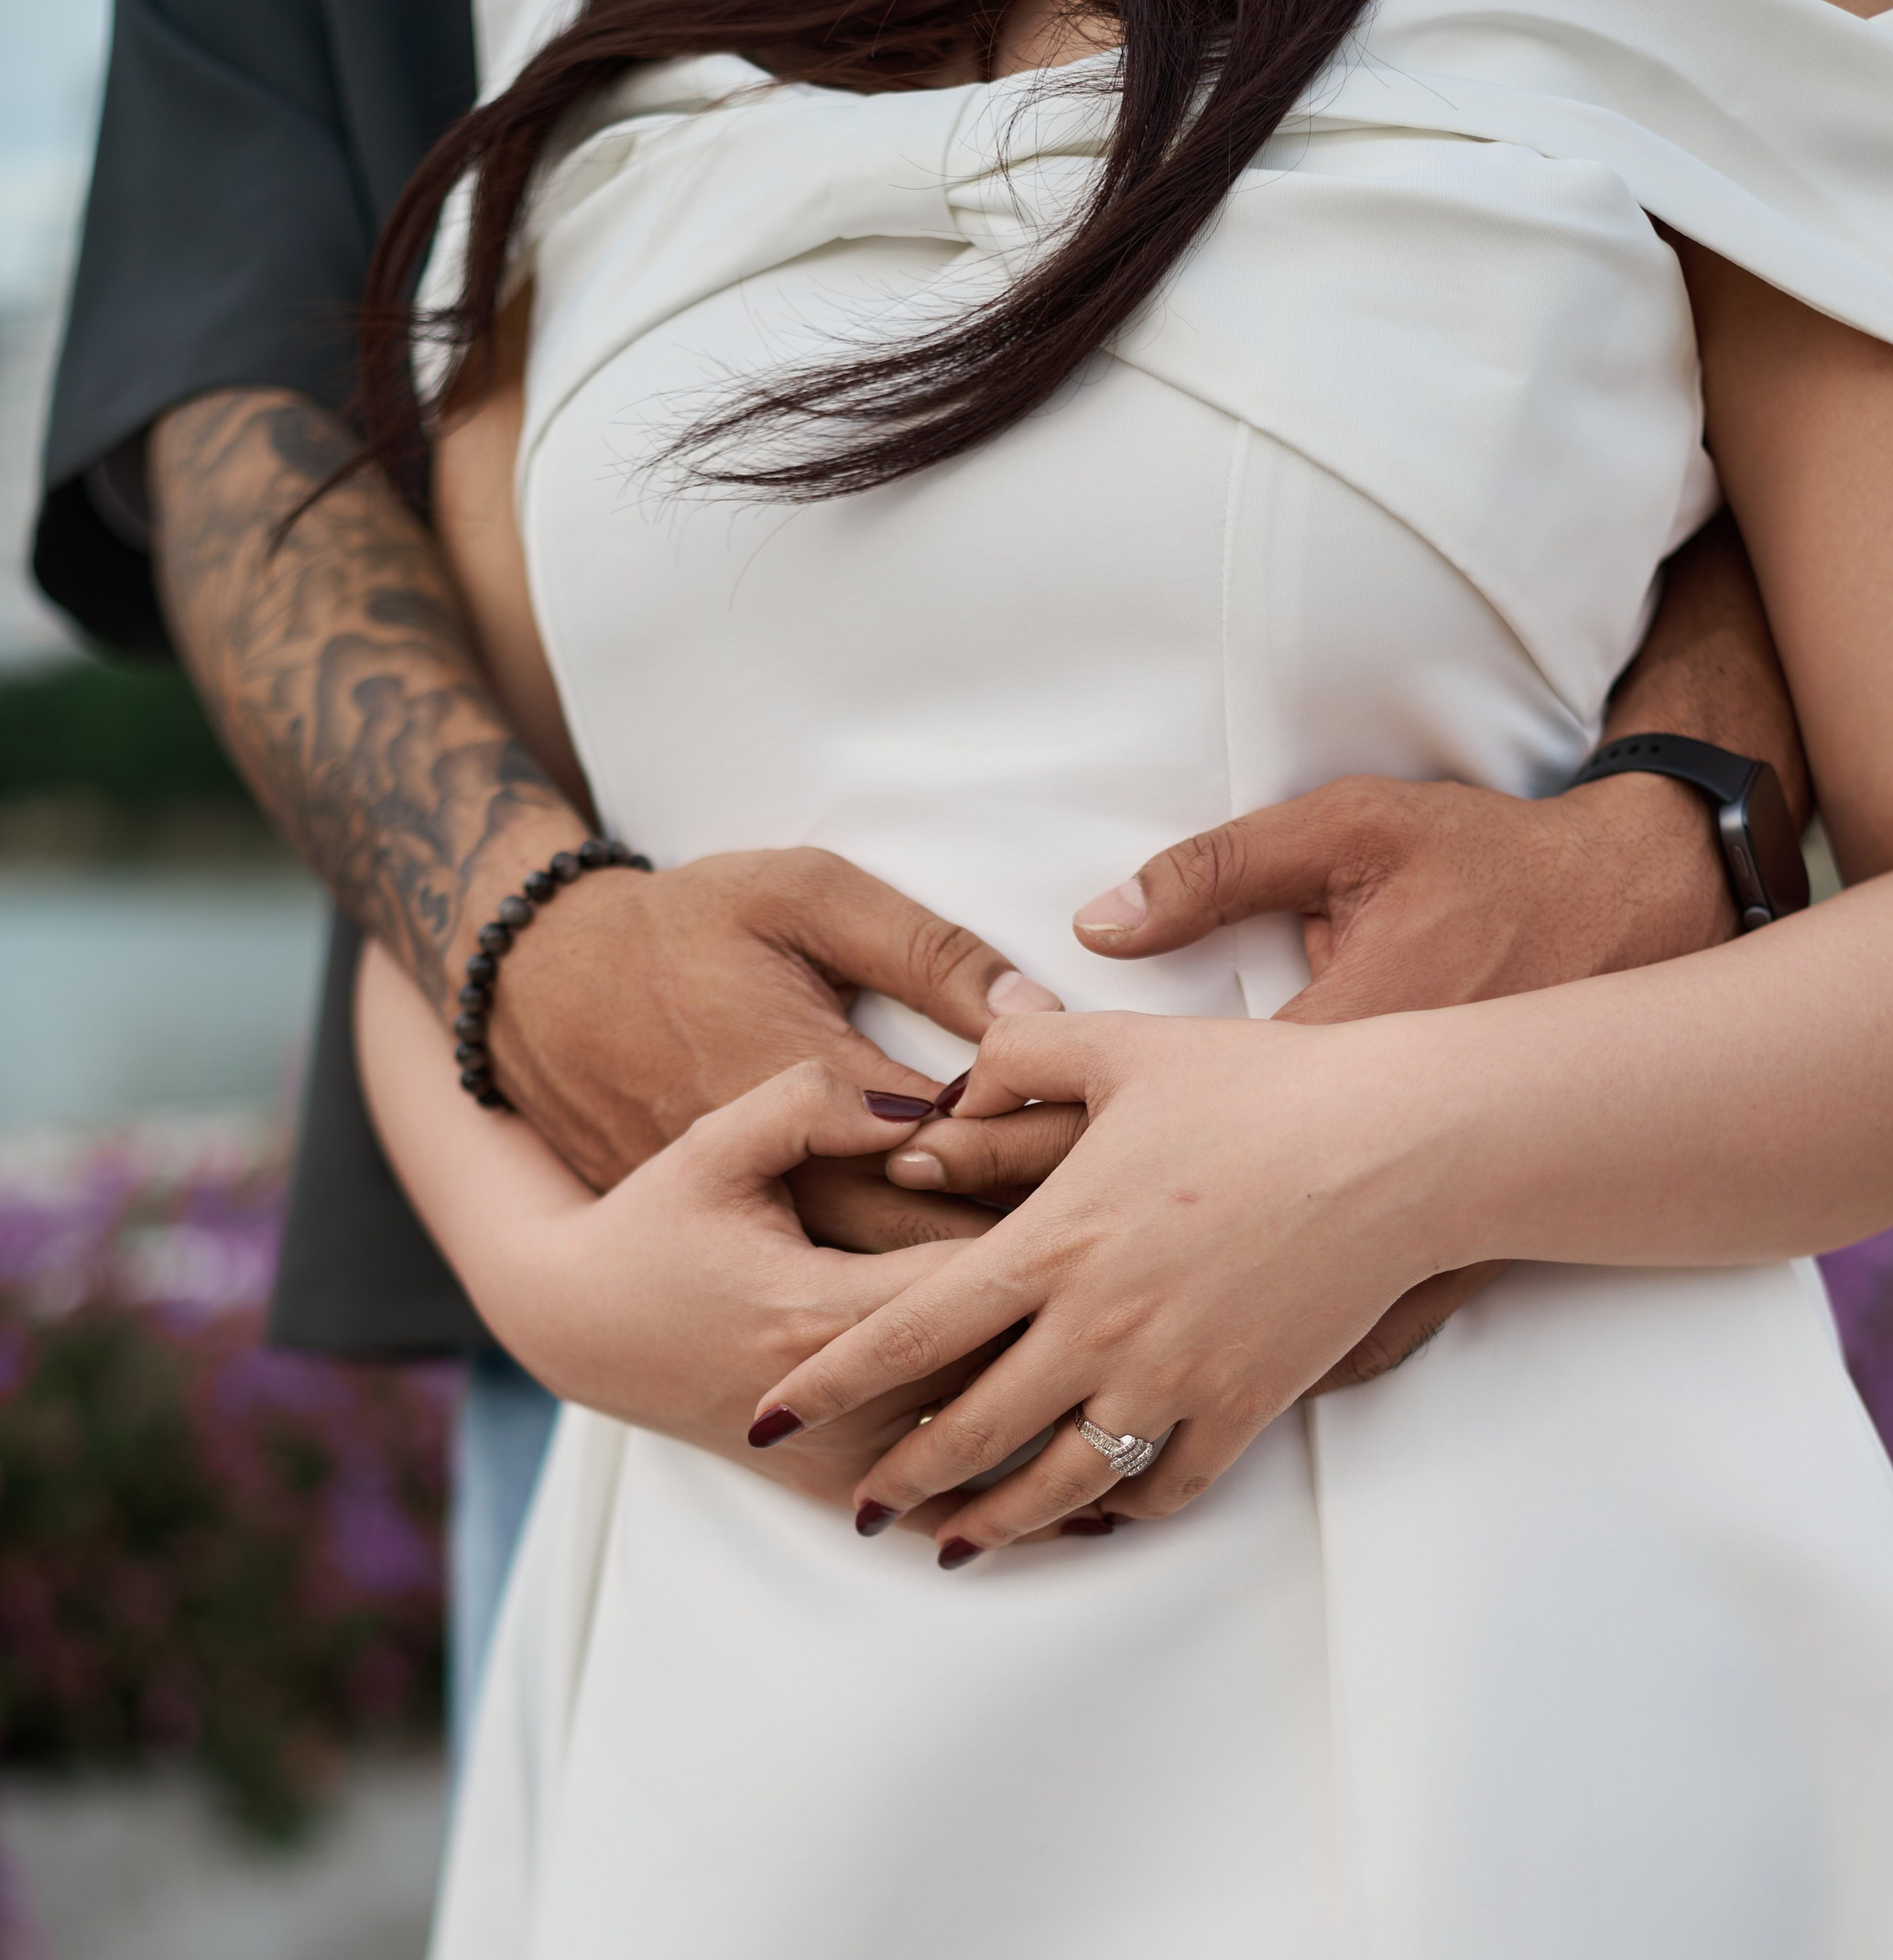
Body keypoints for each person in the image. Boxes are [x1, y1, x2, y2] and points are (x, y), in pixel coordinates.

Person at [271, 0, 1893, 1960]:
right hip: (766, 1653)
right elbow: (479, 886)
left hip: (1521, 1656)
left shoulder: (1690, 28)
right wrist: (555, 1284)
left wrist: (1366, 1163)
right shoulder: (583, 87)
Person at [37, 0, 1809, 1726]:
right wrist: (566, 1290)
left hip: (1513, 1564)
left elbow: (1746, 492)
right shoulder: (590, 139)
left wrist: (1409, 1126)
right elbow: (462, 800)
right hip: (752, 1578)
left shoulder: (1656, 51)